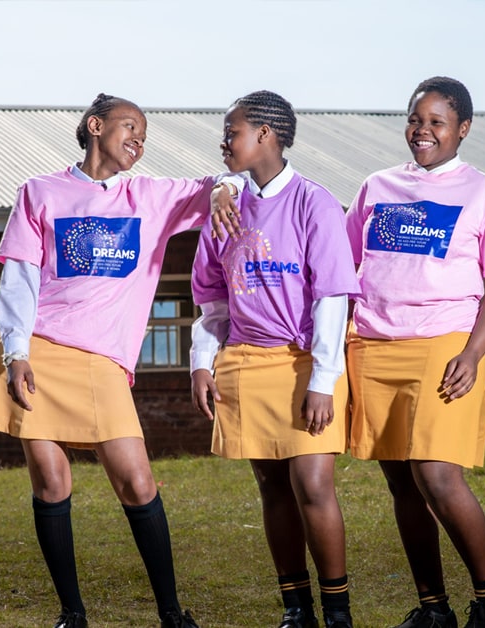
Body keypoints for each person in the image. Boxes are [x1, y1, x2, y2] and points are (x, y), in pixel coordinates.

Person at [0, 93, 238, 628]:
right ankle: (72, 613)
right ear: (95, 127)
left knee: (137, 482)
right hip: (39, 351)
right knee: (51, 483)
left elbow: (220, 183)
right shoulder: (40, 192)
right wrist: (17, 352)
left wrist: (223, 190)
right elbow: (18, 280)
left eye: (144, 135)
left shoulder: (152, 197)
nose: (138, 141)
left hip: (102, 362)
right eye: (128, 128)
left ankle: (171, 612)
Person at [344, 77, 485, 628]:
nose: (422, 131)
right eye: (415, 120)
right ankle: (433, 609)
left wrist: (473, 354)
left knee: (438, 476)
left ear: (462, 129)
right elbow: (342, 261)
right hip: (374, 344)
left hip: (444, 344)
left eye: (436, 122)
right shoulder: (375, 186)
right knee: (401, 481)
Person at [189, 91, 360, 628]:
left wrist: (324, 379)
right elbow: (212, 298)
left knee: (312, 484)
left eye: (231, 130)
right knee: (271, 487)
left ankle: (337, 613)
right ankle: (296, 610)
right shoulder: (225, 204)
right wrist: (201, 362)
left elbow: (333, 296)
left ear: (265, 133)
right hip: (244, 362)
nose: (223, 141)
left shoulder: (316, 202)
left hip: (305, 362)